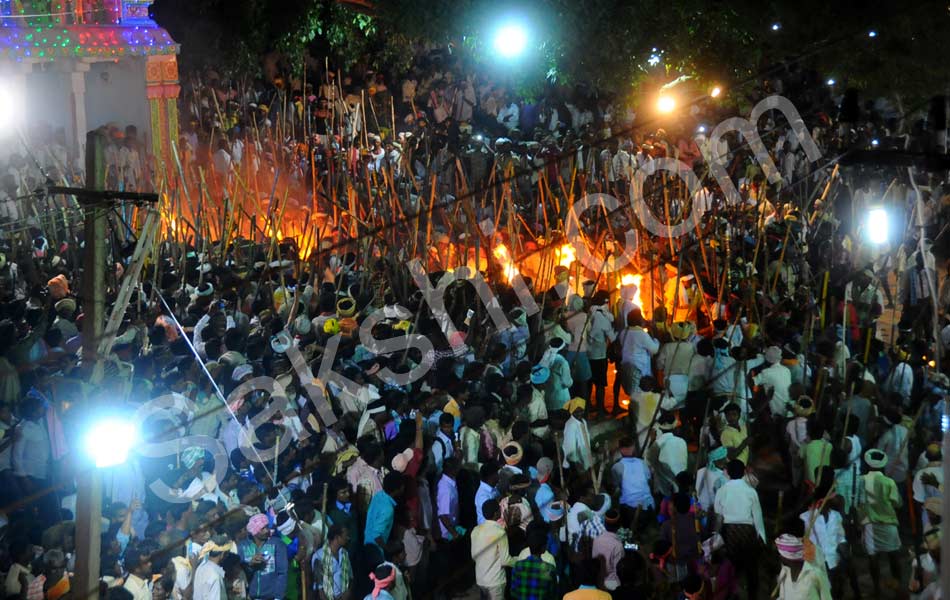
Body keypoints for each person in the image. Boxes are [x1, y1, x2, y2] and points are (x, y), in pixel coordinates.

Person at [714, 460, 764, 600]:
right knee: (751, 567)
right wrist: (761, 536)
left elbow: (719, 516)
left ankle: (731, 593)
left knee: (731, 565)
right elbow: (757, 516)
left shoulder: (722, 490)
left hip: (729, 531)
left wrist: (716, 535)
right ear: (743, 472)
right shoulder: (751, 491)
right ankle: (752, 595)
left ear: (727, 473)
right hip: (747, 531)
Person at [859, 448, 903, 596]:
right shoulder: (889, 482)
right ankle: (898, 585)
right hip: (889, 523)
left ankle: (877, 588)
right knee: (893, 555)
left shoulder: (861, 480)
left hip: (870, 523)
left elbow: (858, 501)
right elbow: (897, 503)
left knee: (873, 557)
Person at [239, 513, 289, 600]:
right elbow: (240, 572)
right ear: (254, 531)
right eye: (262, 529)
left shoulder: (277, 544)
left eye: (267, 527)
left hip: (272, 597)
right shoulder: (243, 546)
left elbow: (282, 573)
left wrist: (278, 597)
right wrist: (250, 565)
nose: (267, 531)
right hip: (251, 597)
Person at [471, 499, 513, 600]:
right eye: (499, 510)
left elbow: (474, 556)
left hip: (481, 579)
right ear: (496, 514)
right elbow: (505, 560)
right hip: (495, 581)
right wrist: (520, 560)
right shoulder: (499, 532)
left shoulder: (475, 530)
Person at [774, 534, 831, 599]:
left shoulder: (815, 574)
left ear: (788, 557)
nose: (780, 557)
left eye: (781, 554)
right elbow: (782, 597)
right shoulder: (784, 573)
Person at [509, 528, 558, 600]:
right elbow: (553, 595)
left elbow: (513, 592)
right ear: (543, 548)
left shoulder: (517, 566)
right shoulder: (549, 569)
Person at [313, 525, 353, 600]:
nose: (348, 538)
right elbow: (319, 587)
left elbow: (350, 576)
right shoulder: (319, 556)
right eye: (345, 536)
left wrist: (348, 592)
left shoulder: (345, 554)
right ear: (337, 538)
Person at [562, 397, 593, 471]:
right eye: (576, 412)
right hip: (576, 463)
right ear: (572, 412)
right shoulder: (571, 425)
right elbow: (570, 447)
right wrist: (576, 463)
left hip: (584, 457)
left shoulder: (583, 421)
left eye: (581, 411)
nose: (579, 414)